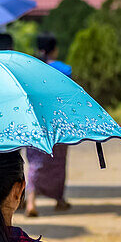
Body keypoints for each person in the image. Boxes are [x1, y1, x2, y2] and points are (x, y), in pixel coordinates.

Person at [24, 33, 71, 216]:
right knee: (58, 162)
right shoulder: (64, 70)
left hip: (35, 120)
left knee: (35, 162)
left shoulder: (30, 68)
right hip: (59, 122)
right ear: (55, 49)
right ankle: (59, 200)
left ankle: (30, 202)